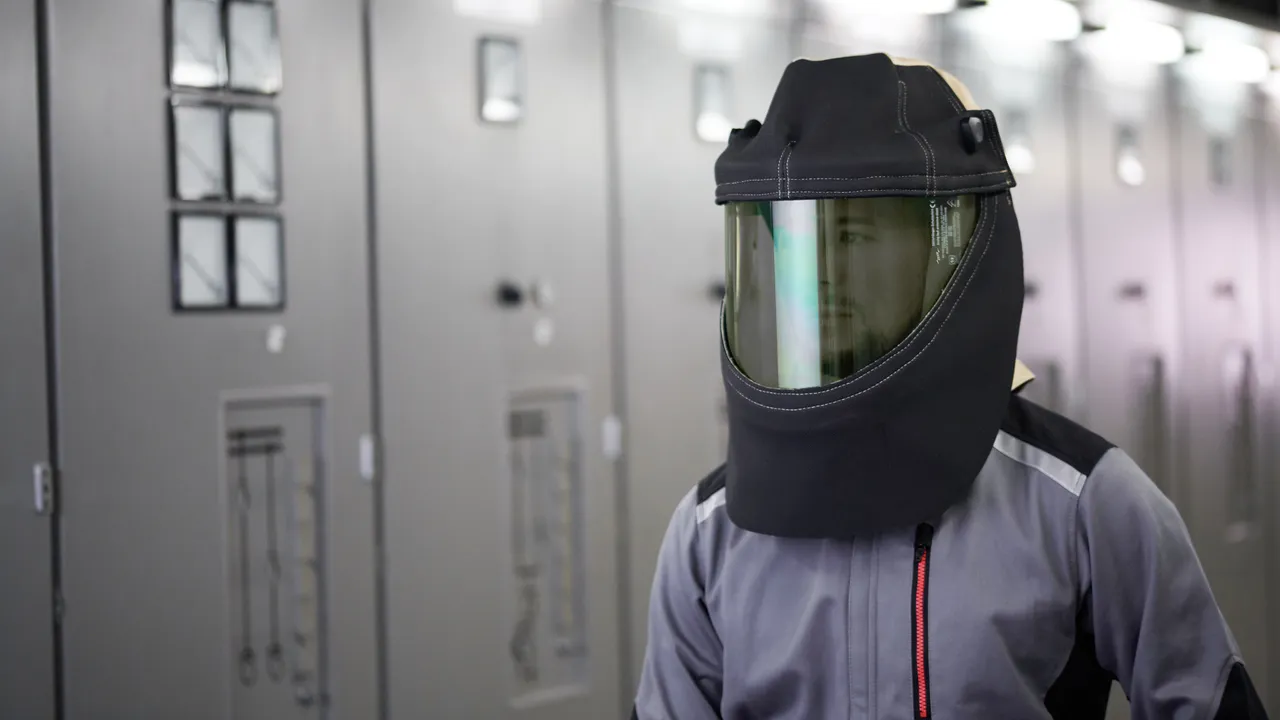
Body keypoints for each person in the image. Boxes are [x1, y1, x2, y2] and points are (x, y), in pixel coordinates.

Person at [631, 54, 1268, 720]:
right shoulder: (710, 532)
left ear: (951, 250)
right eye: (794, 240)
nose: (817, 271)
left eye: (852, 235)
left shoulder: (1082, 502)